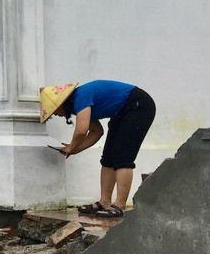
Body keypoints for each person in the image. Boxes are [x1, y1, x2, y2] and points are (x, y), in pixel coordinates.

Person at [40, 80, 156, 218]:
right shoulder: (80, 103)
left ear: (60, 103)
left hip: (138, 106)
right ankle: (104, 202)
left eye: (53, 111)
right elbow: (96, 131)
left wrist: (71, 146)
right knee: (108, 158)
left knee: (122, 158)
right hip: (122, 111)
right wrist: (75, 149)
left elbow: (81, 131)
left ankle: (120, 205)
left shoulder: (81, 97)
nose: (55, 115)